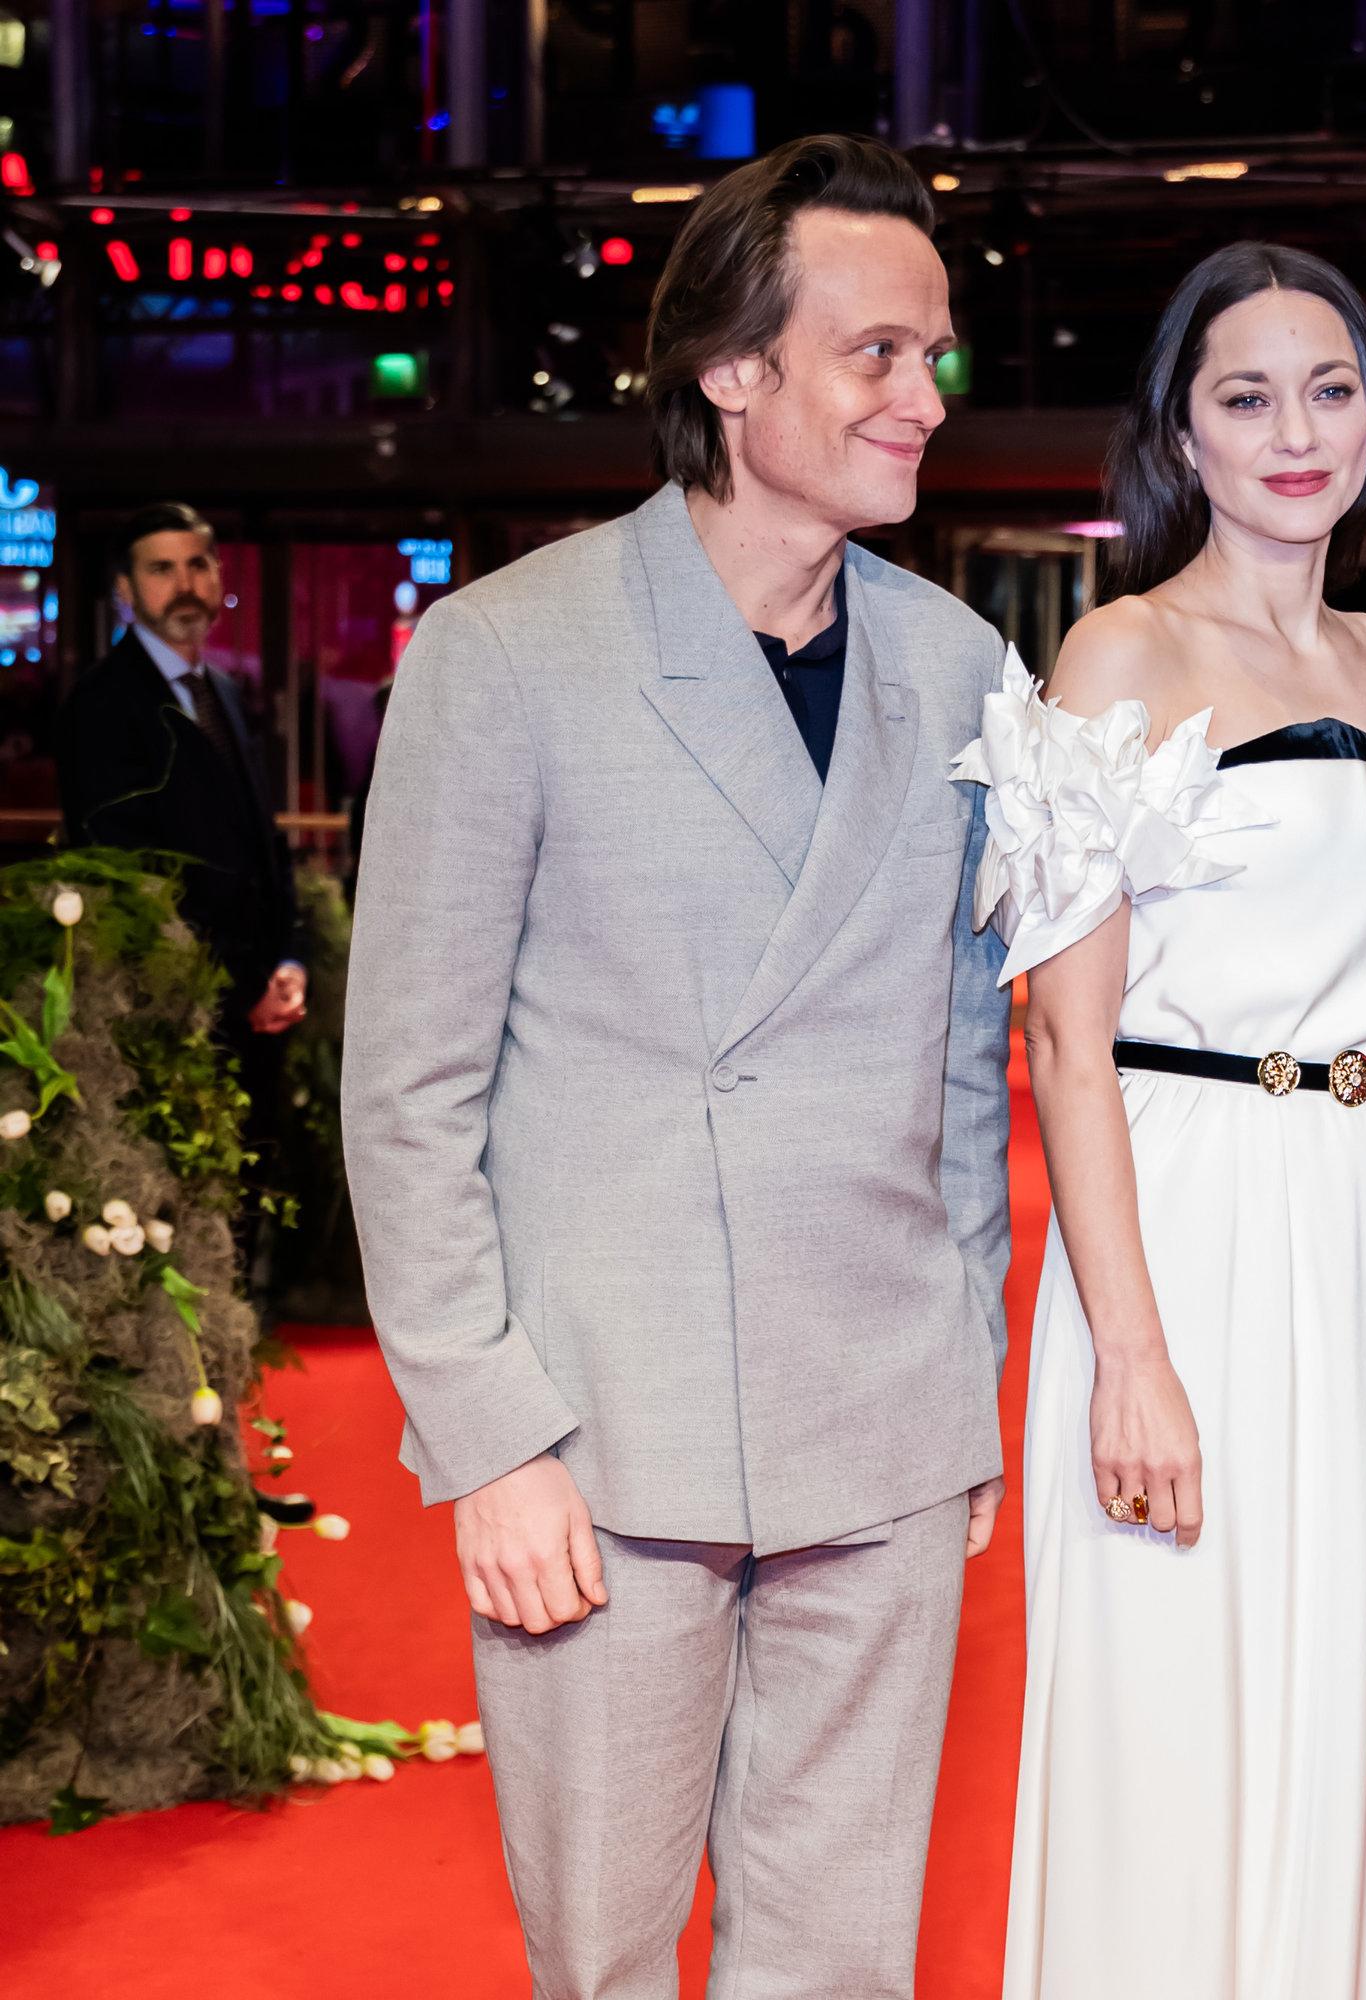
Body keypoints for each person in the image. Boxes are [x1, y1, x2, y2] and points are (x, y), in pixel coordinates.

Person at [342, 135, 1014, 1999]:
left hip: (877, 1424)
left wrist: (966, 1353)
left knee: (839, 1960)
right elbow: (408, 1092)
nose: (926, 396)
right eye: (879, 354)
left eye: (934, 353)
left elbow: (966, 1054)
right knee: (609, 1958)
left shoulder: (960, 672)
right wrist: (492, 1438)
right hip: (602, 1442)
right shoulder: (508, 655)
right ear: (734, 371)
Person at [986, 241, 1366, 1998]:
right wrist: (1129, 1353)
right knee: (1170, 1698)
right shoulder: (1120, 651)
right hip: (1182, 1222)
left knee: (1353, 1676)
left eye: (1329, 389)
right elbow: (1064, 1040)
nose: (1296, 430)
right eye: (1247, 394)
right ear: (1182, 430)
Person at [59, 504, 307, 1169]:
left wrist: (288, 961)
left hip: (257, 1005)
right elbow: (133, 876)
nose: (185, 584)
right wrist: (246, 982)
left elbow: (262, 840)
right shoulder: (103, 704)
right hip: (172, 1009)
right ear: (125, 589)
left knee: (252, 1200)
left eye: (198, 564)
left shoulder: (223, 690)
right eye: (161, 569)